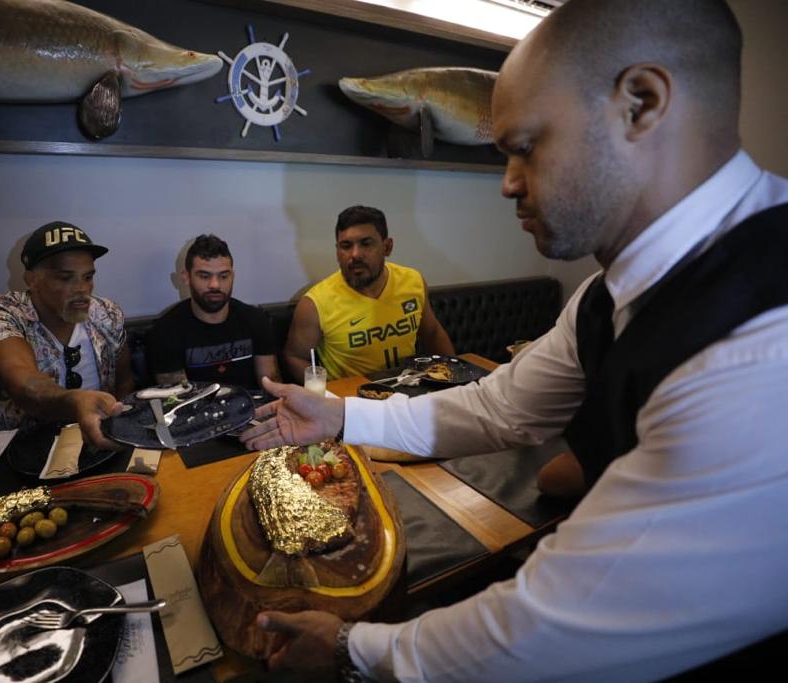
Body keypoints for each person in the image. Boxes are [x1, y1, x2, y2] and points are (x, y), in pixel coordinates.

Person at [241, 0, 788, 679]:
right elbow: (499, 406)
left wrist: (354, 647)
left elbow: (555, 628)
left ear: (641, 103)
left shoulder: (764, 349)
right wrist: (343, 414)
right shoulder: (601, 297)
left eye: (525, 148)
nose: (506, 184)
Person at [0, 221, 134, 449]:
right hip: (20, 451)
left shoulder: (107, 314)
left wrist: (120, 427)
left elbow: (124, 381)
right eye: (66, 278)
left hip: (100, 443)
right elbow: (22, 382)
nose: (82, 289)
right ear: (32, 280)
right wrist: (75, 401)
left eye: (87, 277)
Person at [283, 205, 455, 383]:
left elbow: (432, 333)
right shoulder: (315, 303)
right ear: (337, 251)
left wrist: (454, 378)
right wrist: (328, 393)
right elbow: (295, 357)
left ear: (387, 247)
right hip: (352, 402)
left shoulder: (413, 281)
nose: (355, 255)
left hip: (409, 391)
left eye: (366, 244)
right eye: (346, 246)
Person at [147, 234, 279, 388]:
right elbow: (177, 401)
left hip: (253, 408)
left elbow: (271, 388)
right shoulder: (166, 332)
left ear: (233, 276)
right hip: (194, 411)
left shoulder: (256, 320)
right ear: (186, 277)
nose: (215, 285)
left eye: (223, 276)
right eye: (204, 276)